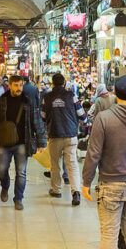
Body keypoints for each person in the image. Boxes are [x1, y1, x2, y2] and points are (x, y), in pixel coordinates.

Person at [82, 75, 126, 249]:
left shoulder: (104, 118)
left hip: (110, 183)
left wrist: (86, 181)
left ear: (114, 92)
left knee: (109, 233)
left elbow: (94, 153)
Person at [0, 75, 46, 210]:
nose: (19, 88)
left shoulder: (27, 101)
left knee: (21, 172)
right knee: (2, 169)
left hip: (22, 142)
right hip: (4, 142)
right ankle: (5, 186)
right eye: (16, 85)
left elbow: (36, 120)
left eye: (20, 85)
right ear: (9, 86)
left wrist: (41, 141)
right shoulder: (1, 101)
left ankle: (18, 198)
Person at [42, 73, 83, 206]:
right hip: (70, 134)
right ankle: (76, 191)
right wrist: (85, 121)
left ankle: (56, 190)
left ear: (52, 84)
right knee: (72, 165)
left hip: (55, 134)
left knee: (55, 164)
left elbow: (43, 116)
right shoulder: (72, 96)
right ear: (64, 83)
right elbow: (81, 114)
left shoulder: (46, 97)